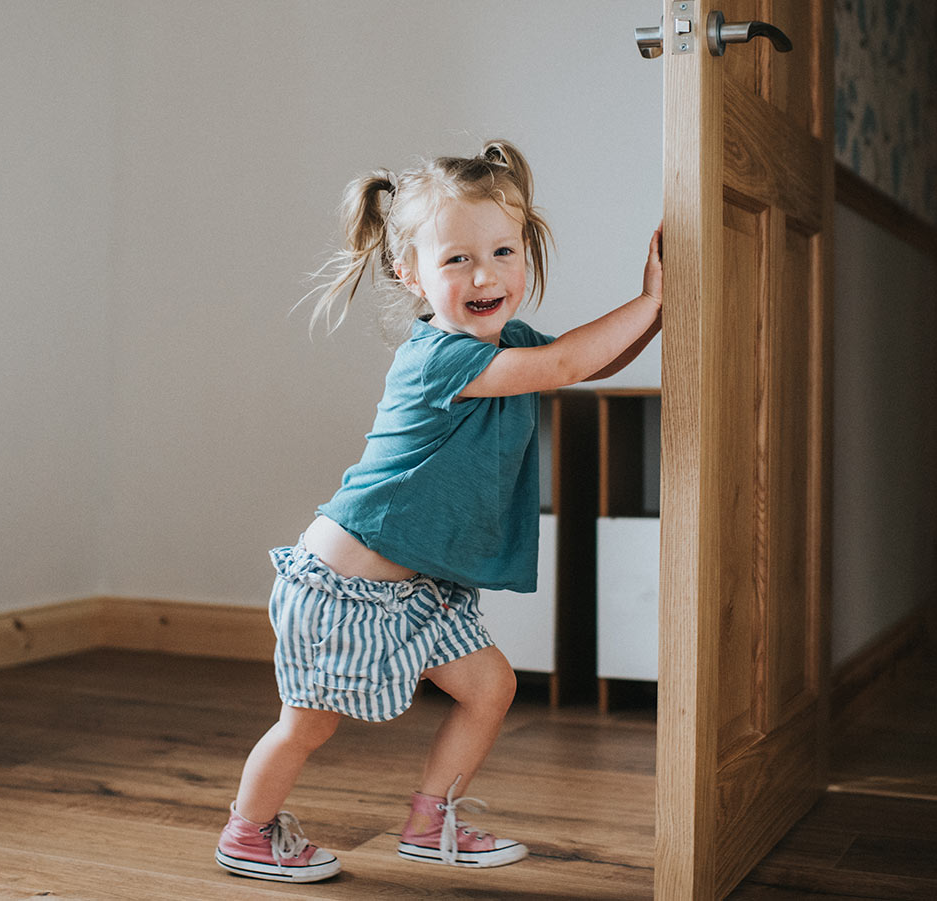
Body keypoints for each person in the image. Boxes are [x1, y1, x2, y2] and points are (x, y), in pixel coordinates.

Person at [215, 139, 662, 883]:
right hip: (341, 585)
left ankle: (430, 819)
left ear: (526, 253)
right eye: (456, 260)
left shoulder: (506, 343)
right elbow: (564, 367)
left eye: (502, 251)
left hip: (416, 588)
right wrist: (649, 300)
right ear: (409, 273)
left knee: (491, 686)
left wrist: (660, 305)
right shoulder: (440, 357)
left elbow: (588, 362)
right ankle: (247, 832)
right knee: (309, 721)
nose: (485, 275)